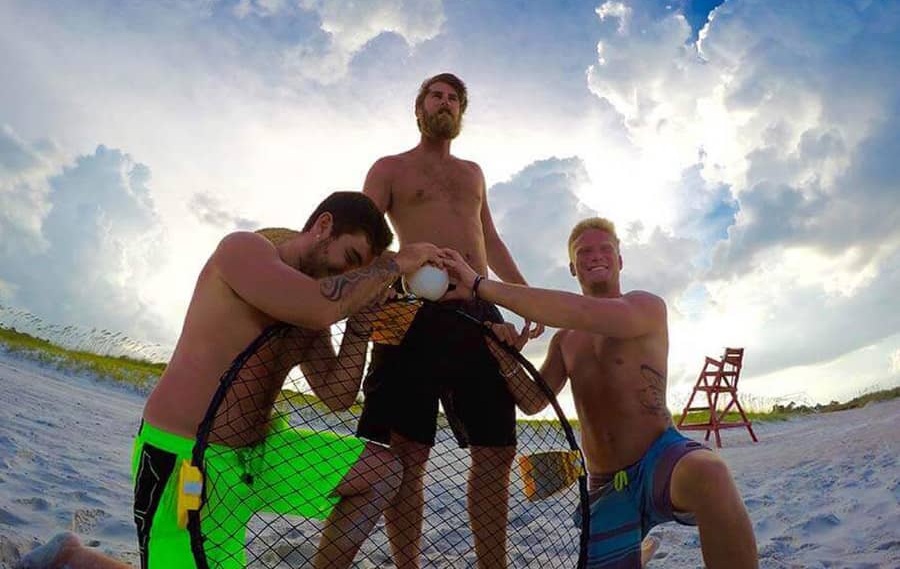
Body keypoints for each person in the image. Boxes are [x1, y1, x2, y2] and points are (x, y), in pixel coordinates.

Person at [20, 192, 442, 569]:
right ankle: (71, 557)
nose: (349, 278)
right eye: (350, 261)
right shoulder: (245, 251)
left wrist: (361, 323)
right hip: (184, 455)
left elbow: (336, 395)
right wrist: (391, 266)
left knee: (382, 471)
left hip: (256, 458)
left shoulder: (314, 302)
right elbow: (317, 307)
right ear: (324, 227)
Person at [439, 217, 759, 569]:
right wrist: (505, 357)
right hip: (606, 483)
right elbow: (533, 402)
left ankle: (640, 543)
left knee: (710, 474)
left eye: (606, 249)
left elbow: (582, 311)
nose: (596, 256)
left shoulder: (646, 307)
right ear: (573, 268)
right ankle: (636, 548)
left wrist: (481, 285)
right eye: (584, 252)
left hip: (660, 457)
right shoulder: (564, 340)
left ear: (620, 261)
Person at [356, 73, 541, 569]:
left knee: (497, 450)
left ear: (461, 115)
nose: (445, 103)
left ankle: (491, 566)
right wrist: (406, 260)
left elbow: (492, 241)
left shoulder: (473, 173)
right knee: (405, 453)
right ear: (418, 109)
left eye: (454, 99)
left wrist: (519, 297)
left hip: (477, 310)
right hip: (404, 310)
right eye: (436, 95)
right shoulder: (389, 168)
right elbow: (362, 239)